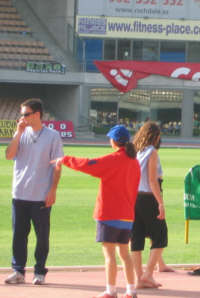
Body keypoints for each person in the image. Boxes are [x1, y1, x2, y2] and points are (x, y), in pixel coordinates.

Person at [52, 125, 140, 298]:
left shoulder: (114, 159)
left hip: (109, 213)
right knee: (124, 254)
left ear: (114, 141)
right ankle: (131, 290)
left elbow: (89, 165)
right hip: (127, 215)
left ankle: (111, 290)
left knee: (109, 255)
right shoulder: (134, 161)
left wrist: (65, 159)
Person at [4, 98, 63, 286]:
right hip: (20, 193)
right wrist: (18, 133)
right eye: (21, 114)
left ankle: (39, 272)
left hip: (40, 195)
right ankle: (18, 270)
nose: (22, 118)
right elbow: (9, 155)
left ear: (37, 114)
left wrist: (52, 190)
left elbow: (57, 166)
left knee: (42, 236)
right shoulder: (20, 133)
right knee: (18, 235)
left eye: (25, 114)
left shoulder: (52, 136)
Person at [130, 121, 173, 289]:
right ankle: (147, 274)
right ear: (156, 136)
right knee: (161, 235)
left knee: (137, 237)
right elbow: (152, 180)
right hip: (148, 197)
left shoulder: (135, 151)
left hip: (134, 197)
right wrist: (160, 203)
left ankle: (139, 277)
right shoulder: (152, 152)